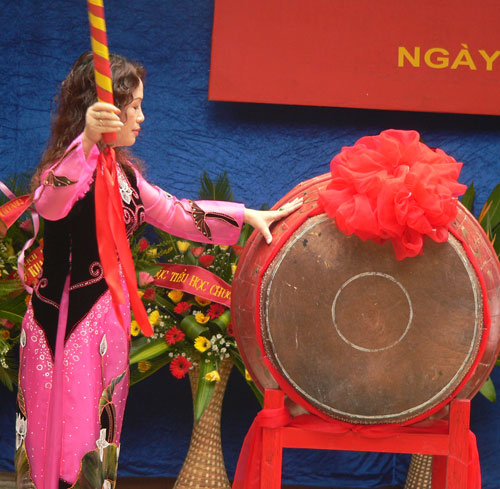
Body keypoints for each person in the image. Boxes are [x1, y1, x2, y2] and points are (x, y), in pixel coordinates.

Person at [15, 51, 301, 489]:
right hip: (58, 322)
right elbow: (49, 204)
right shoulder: (65, 169)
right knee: (53, 433)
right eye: (134, 107)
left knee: (96, 433)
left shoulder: (125, 175)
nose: (141, 117)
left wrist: (247, 216)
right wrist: (86, 141)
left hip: (106, 319)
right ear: (104, 111)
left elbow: (175, 213)